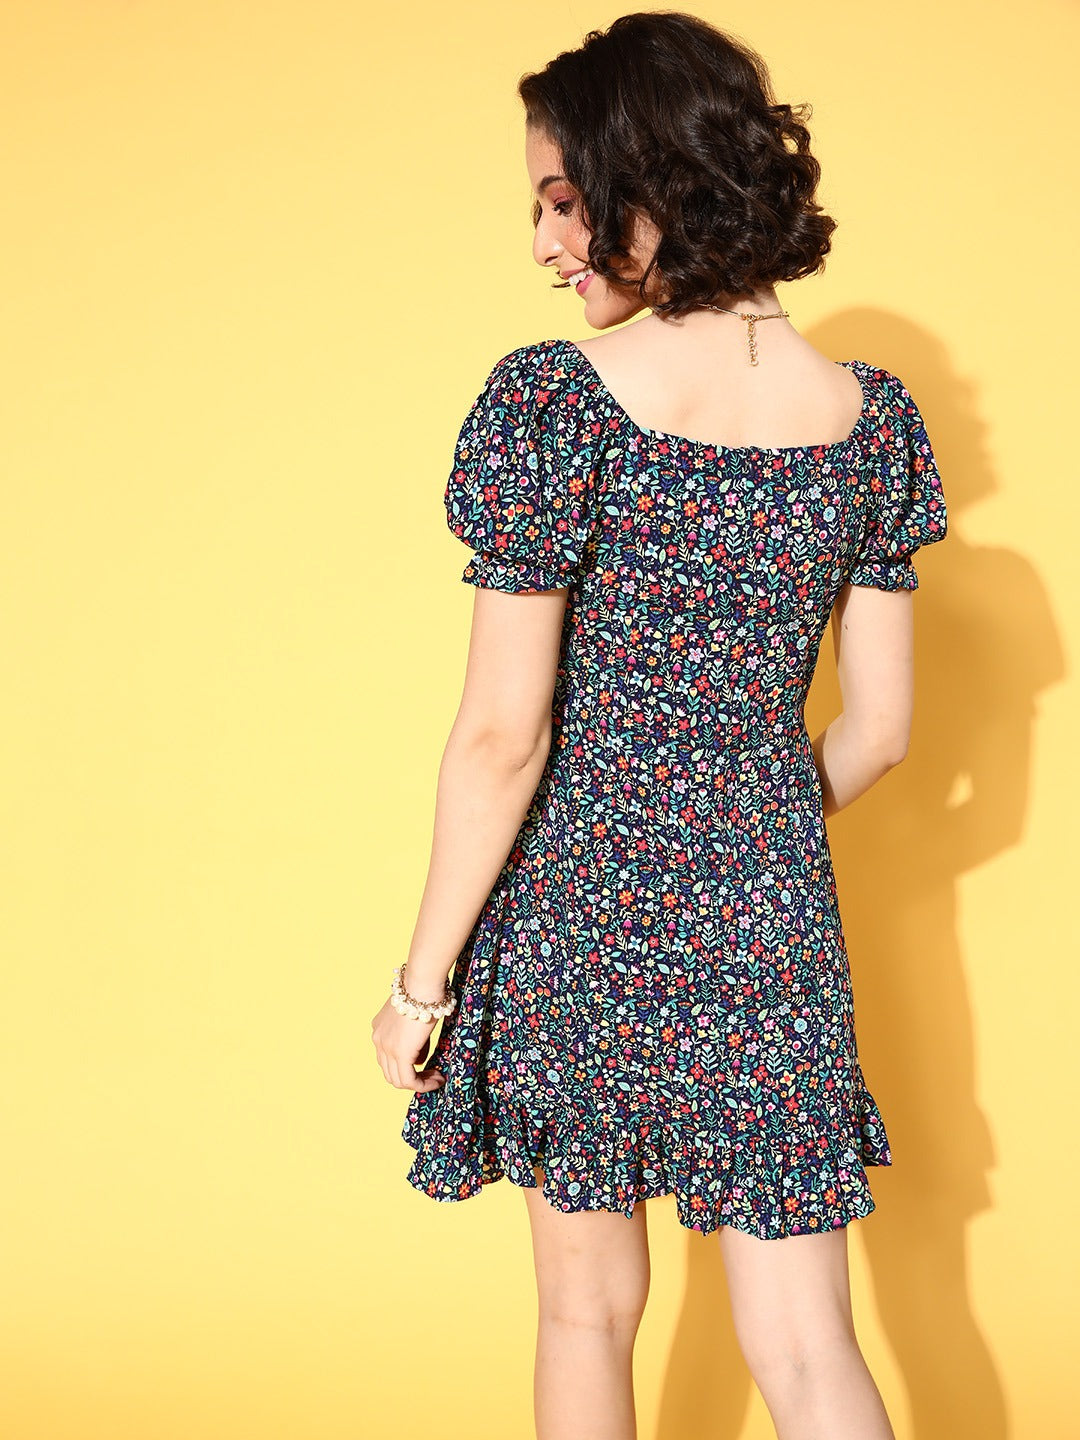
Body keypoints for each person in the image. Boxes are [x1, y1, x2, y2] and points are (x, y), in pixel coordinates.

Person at [371, 12, 948, 1439]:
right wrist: (739, 832)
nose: (542, 243)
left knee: (587, 1316)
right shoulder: (872, 425)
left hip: (577, 916)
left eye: (561, 201)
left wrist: (423, 986)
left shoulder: (557, 408)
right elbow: (880, 730)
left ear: (651, 183)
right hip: (769, 921)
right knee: (809, 1347)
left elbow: (502, 739)